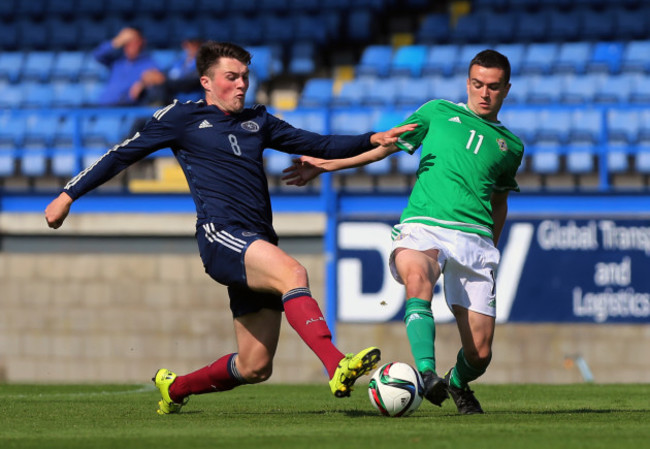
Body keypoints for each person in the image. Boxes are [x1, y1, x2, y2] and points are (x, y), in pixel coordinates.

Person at [45, 41, 415, 415]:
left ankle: (175, 388)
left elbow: (319, 143)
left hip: (257, 240)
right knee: (293, 272)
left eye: (245, 77)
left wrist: (373, 138)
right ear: (206, 81)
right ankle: (337, 364)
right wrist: (68, 194)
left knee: (255, 366)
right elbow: (122, 154)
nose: (241, 85)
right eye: (231, 77)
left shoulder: (259, 122)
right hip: (220, 234)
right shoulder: (181, 118)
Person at [283, 49, 524, 415]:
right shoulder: (437, 112)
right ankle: (427, 374)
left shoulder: (511, 147)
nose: (484, 93)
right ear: (468, 83)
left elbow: (500, 200)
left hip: (475, 239)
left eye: (493, 87)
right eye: (477, 84)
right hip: (425, 225)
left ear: (506, 89)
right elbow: (385, 147)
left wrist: (493, 243)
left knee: (481, 352)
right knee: (418, 278)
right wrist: (325, 165)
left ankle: (457, 383)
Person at [91, 27, 159, 106]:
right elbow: (98, 55)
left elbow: (158, 80)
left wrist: (143, 84)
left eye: (133, 41)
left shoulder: (149, 64)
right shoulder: (117, 61)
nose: (129, 45)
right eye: (126, 42)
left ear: (141, 42)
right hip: (104, 108)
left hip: (128, 110)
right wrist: (118, 41)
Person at [130, 36, 204, 106]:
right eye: (188, 43)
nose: (190, 46)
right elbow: (164, 73)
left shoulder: (203, 63)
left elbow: (189, 82)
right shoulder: (180, 61)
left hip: (192, 105)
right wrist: (144, 81)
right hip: (174, 105)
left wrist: (164, 80)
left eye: (195, 43)